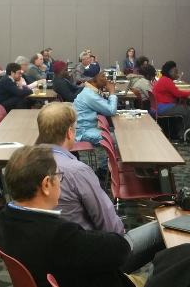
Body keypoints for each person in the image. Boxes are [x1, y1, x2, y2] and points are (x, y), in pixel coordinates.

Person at [37, 103, 163, 273]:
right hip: (91, 257)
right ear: (69, 132)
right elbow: (110, 226)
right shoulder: (76, 171)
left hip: (50, 256)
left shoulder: (27, 164)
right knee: (163, 228)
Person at [0, 145, 144, 287]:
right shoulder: (59, 235)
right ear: (46, 185)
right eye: (58, 176)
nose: (60, 182)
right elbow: (121, 249)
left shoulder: (5, 217)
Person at [73, 63, 117, 176]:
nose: (106, 78)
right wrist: (112, 93)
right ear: (95, 80)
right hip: (83, 131)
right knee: (115, 139)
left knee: (118, 133)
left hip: (90, 127)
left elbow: (106, 107)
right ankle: (103, 170)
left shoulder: (91, 90)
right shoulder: (90, 95)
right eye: (103, 76)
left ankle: (106, 167)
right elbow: (111, 110)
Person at [152, 61, 190, 138]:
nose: (177, 74)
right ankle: (188, 136)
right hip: (163, 108)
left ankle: (183, 133)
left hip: (160, 106)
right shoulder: (167, 81)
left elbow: (175, 93)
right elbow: (178, 94)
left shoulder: (163, 79)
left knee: (183, 109)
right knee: (188, 112)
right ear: (170, 72)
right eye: (175, 72)